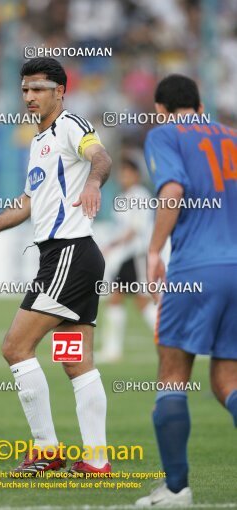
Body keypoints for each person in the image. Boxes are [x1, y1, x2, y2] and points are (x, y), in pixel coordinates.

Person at [0, 57, 112, 475]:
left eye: (38, 89)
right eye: (25, 89)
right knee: (74, 360)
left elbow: (100, 157)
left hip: (68, 254)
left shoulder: (71, 126)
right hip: (71, 258)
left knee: (15, 347)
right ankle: (96, 461)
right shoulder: (38, 140)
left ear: (60, 91)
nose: (29, 96)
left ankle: (46, 451)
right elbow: (27, 204)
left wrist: (94, 181)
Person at [136, 74, 237, 507]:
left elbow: (173, 189)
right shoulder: (231, 136)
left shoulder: (164, 134)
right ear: (199, 103)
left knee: (173, 374)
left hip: (196, 267)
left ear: (161, 107)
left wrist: (155, 249)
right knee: (229, 379)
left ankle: (176, 488)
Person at [96, 158, 156, 363]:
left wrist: (111, 246)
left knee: (141, 301)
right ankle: (112, 349)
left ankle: (172, 341)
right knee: (119, 299)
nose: (123, 177)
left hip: (136, 255)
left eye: (127, 173)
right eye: (121, 173)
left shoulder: (140, 195)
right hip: (126, 257)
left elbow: (134, 229)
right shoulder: (123, 197)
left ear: (136, 175)